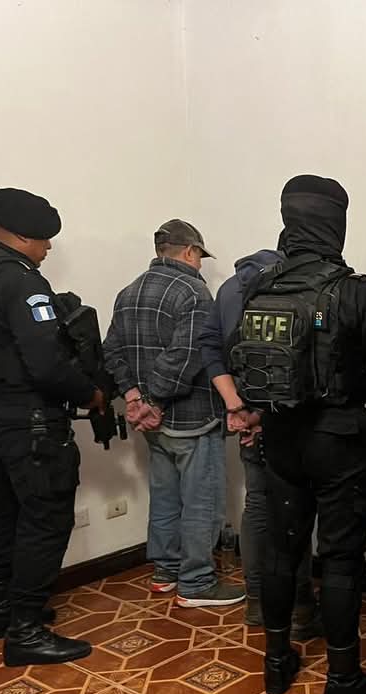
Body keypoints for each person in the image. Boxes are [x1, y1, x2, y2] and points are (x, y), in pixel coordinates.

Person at [226, 175, 366, 694]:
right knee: (340, 558)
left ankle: (276, 663)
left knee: (281, 551)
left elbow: (237, 355)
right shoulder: (357, 292)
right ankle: (343, 679)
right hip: (341, 445)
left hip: (279, 438)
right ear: (336, 224)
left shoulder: (258, 287)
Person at [0, 189, 105, 666]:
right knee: (46, 520)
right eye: (43, 239)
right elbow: (47, 363)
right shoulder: (20, 281)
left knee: (7, 510)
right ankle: (27, 631)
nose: (48, 248)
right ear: (19, 235)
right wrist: (90, 394)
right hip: (30, 420)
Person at [103, 220, 244, 609]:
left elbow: (111, 351)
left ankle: (166, 573)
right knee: (201, 501)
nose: (200, 264)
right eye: (200, 256)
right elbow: (186, 357)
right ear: (189, 251)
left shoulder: (128, 292)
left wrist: (134, 397)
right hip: (191, 419)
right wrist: (154, 401)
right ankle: (196, 582)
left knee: (165, 497)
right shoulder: (195, 293)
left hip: (152, 425)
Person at [198, 244, 322, 636]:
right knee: (295, 508)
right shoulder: (296, 286)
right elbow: (304, 363)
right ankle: (300, 608)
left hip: (244, 415)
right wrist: (262, 415)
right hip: (286, 419)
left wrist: (236, 407)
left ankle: (255, 603)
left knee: (257, 506)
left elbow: (210, 346)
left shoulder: (230, 288)